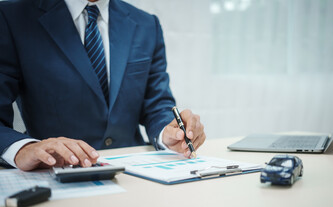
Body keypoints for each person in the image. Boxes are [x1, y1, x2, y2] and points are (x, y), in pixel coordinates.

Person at [0, 0, 205, 171]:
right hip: (55, 173)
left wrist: (170, 133)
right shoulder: (12, 17)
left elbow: (157, 105)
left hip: (135, 173)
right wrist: (22, 149)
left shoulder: (146, 24)